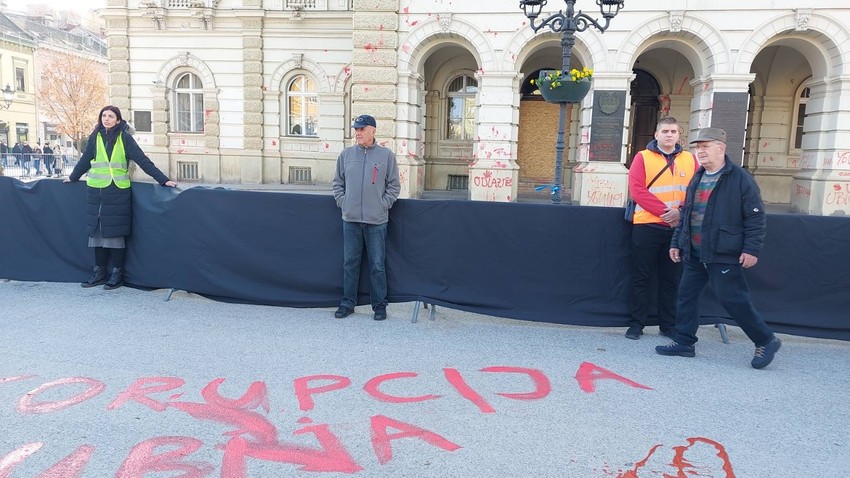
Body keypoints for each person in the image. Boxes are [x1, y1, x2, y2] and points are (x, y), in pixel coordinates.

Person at [656, 127, 781, 369]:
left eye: (705, 146)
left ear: (721, 148)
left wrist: (752, 249)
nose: (700, 151)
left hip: (723, 252)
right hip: (695, 252)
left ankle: (766, 339)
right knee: (686, 297)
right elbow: (687, 214)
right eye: (697, 147)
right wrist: (677, 243)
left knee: (733, 300)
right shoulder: (698, 176)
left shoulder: (740, 178)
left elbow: (755, 217)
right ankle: (684, 341)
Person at [64, 105, 177, 290]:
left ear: (118, 120)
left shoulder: (125, 138)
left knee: (115, 233)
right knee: (96, 232)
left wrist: (163, 180)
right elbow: (85, 160)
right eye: (104, 115)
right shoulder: (96, 137)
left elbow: (142, 160)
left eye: (111, 116)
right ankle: (99, 272)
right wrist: (73, 177)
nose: (106, 119)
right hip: (96, 191)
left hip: (117, 191)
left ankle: (117, 274)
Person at [625, 117, 698, 340]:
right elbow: (638, 191)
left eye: (673, 131)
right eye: (665, 131)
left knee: (671, 280)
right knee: (641, 277)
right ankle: (636, 324)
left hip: (677, 228)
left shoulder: (690, 159)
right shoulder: (642, 157)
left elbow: (695, 191)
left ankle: (668, 326)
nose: (669, 135)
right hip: (647, 224)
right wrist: (667, 213)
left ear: (679, 135)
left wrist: (680, 213)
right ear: (656, 134)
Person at [332, 114, 400, 321]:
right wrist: (344, 203)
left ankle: (379, 306)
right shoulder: (346, 155)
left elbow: (394, 186)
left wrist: (382, 205)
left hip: (377, 221)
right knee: (349, 263)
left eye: (362, 129)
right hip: (350, 220)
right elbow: (337, 184)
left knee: (377, 265)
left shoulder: (386, 156)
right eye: (356, 129)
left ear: (373, 131)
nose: (358, 133)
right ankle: (347, 303)